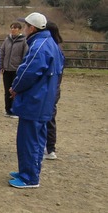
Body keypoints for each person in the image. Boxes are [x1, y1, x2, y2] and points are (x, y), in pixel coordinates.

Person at [9, 12, 64, 189]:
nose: (24, 29)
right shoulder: (51, 43)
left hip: (35, 100)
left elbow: (27, 72)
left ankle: (29, 177)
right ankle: (28, 170)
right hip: (43, 99)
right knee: (36, 139)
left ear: (31, 28)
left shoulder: (39, 46)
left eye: (25, 26)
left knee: (29, 139)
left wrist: (15, 87)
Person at [44, 21, 65, 160]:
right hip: (54, 88)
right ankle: (49, 147)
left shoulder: (53, 50)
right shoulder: (56, 48)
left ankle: (51, 148)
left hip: (51, 89)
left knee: (49, 118)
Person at [0, 22, 28, 118]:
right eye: (11, 28)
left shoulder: (24, 41)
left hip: (16, 69)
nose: (13, 29)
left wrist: (22, 68)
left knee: (15, 90)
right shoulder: (7, 39)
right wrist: (1, 65)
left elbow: (25, 55)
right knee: (7, 90)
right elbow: (2, 52)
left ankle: (15, 110)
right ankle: (8, 109)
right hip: (7, 69)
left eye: (15, 28)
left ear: (19, 29)